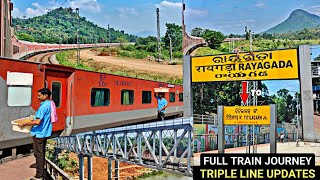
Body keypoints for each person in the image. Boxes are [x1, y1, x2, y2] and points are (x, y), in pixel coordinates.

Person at [19, 88, 53, 180]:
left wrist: (24, 123)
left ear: (45, 96)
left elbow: (37, 122)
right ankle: (41, 172)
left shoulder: (43, 107)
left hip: (39, 134)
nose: (38, 97)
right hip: (45, 132)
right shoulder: (49, 104)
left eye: (39, 95)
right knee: (41, 153)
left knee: (38, 155)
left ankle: (39, 175)